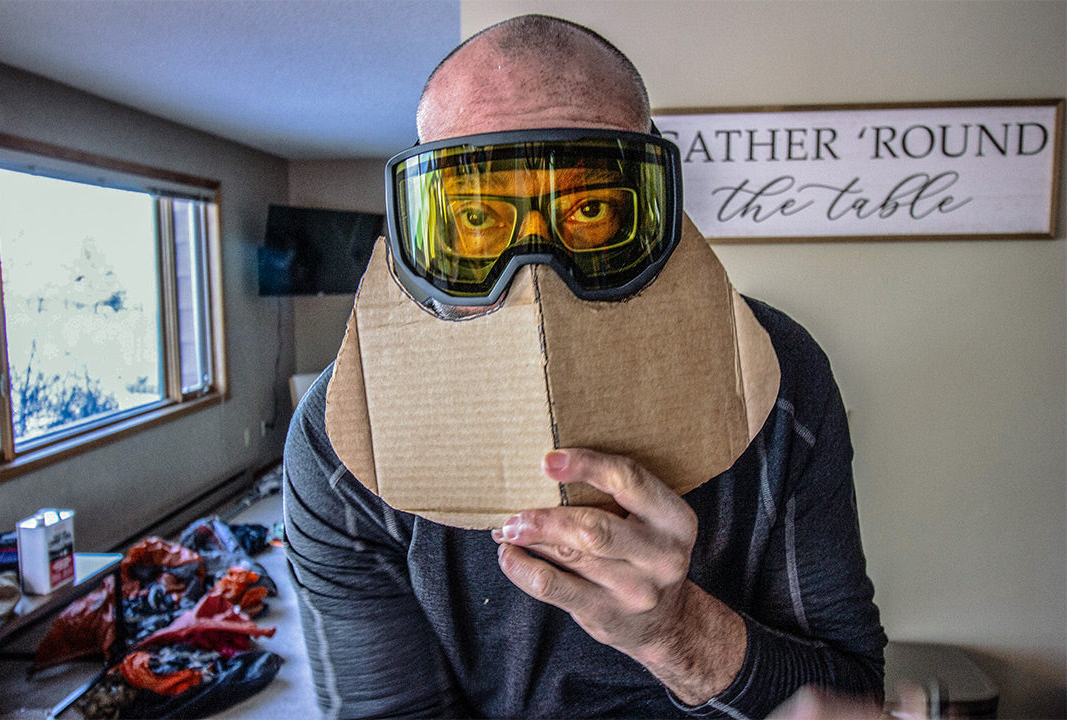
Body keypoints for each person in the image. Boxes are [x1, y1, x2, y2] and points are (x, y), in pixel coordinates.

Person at [284, 14, 886, 719]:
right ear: (423, 226)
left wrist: (676, 632)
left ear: (658, 208)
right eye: (477, 220)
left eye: (592, 208)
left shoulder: (776, 378)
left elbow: (850, 693)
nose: (534, 277)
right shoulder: (343, 442)